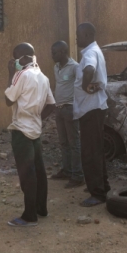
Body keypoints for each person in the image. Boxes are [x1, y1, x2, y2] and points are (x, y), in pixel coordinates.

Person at [4, 43, 56, 227]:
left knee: (27, 174)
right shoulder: (43, 77)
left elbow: (8, 100)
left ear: (24, 57)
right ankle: (41, 208)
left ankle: (29, 215)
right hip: (35, 129)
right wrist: (37, 118)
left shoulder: (22, 75)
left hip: (21, 131)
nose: (14, 61)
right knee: (39, 171)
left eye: (15, 57)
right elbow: (51, 105)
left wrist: (10, 73)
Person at [73, 23, 110, 207]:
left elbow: (89, 70)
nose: (76, 38)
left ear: (87, 35)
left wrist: (85, 87)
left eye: (78, 35)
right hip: (94, 109)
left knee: (90, 153)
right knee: (97, 150)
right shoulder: (94, 50)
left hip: (91, 110)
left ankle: (97, 193)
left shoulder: (90, 53)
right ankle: (102, 187)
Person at [50, 41, 83, 188]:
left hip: (70, 109)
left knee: (74, 143)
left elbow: (81, 87)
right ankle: (67, 170)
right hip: (59, 108)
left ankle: (77, 175)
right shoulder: (56, 67)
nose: (52, 55)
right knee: (63, 143)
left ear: (63, 52)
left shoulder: (75, 67)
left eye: (55, 52)